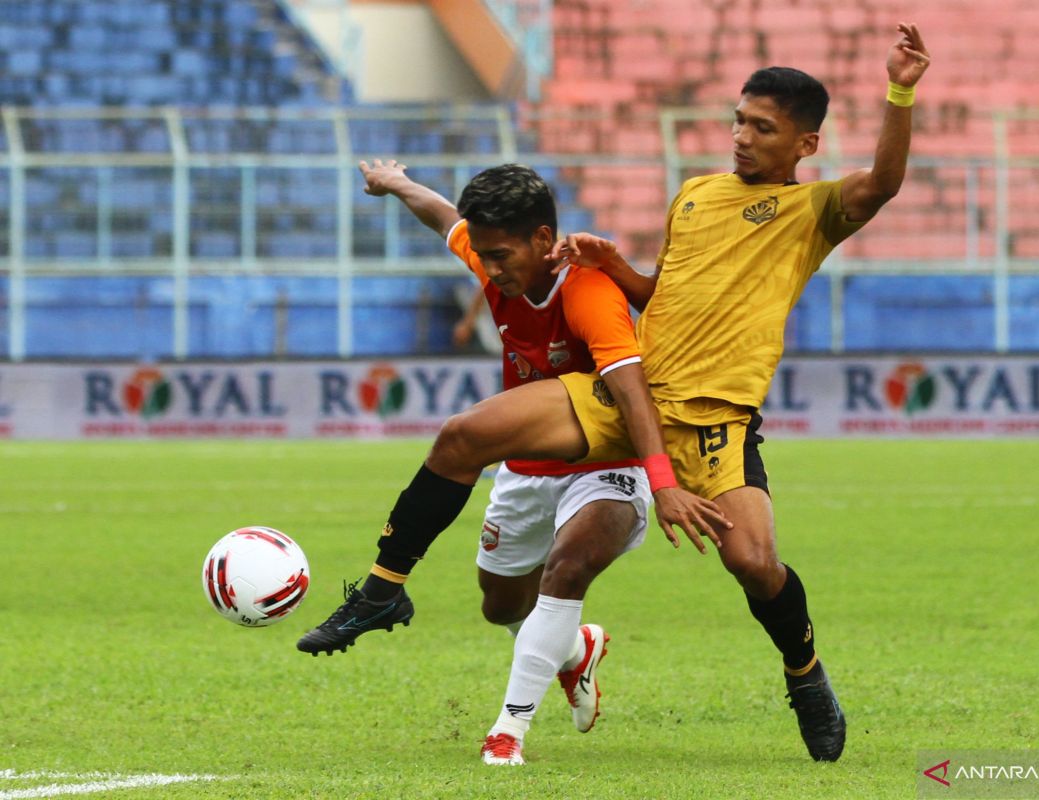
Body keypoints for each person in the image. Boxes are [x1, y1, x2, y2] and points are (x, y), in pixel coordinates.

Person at [303, 22, 928, 763]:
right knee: (463, 436)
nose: (742, 137)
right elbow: (666, 295)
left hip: (714, 422)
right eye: (738, 119)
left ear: (804, 145)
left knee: (754, 565)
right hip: (625, 398)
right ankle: (384, 588)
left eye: (763, 128)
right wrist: (618, 265)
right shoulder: (697, 196)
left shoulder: (812, 212)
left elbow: (884, 183)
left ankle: (805, 673)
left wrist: (899, 91)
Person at [296, 162, 729, 766]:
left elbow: (633, 390)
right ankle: (574, 651)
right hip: (526, 472)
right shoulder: (493, 258)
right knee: (501, 606)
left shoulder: (587, 290)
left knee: (567, 571)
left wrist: (664, 485)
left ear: (543, 241)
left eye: (501, 256)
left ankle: (507, 733)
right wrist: (395, 183)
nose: (491, 270)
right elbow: (441, 215)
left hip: (607, 465)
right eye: (483, 255)